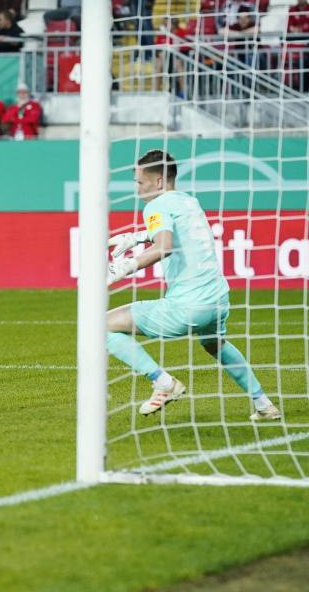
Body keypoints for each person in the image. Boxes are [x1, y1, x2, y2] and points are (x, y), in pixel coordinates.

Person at [106, 150, 280, 421]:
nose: (137, 188)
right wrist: (138, 237)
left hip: (189, 305)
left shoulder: (156, 206)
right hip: (218, 299)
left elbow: (164, 246)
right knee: (215, 344)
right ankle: (263, 404)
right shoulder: (188, 202)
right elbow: (177, 235)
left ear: (160, 182)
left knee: (100, 326)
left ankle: (163, 382)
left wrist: (123, 268)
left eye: (140, 182)